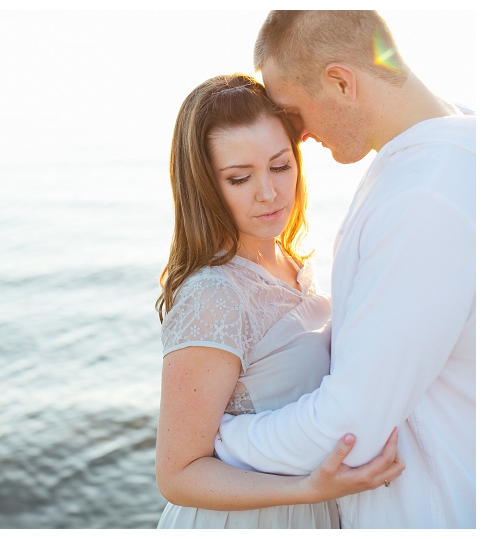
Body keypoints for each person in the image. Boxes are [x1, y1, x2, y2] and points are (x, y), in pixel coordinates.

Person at [213, 11, 475, 529]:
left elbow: (349, 429)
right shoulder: (454, 146)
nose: (299, 136)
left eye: (292, 112)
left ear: (340, 81)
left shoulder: (423, 198)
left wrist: (221, 435)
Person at [154, 73, 404, 529]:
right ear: (206, 185)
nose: (268, 193)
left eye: (280, 165)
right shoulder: (214, 296)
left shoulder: (293, 265)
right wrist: (304, 490)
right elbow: (177, 474)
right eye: (239, 177)